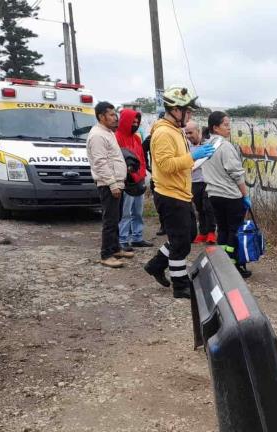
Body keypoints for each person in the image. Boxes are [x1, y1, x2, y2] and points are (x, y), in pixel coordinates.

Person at [143, 86, 215, 298]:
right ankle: (180, 285)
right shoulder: (164, 133)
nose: (190, 115)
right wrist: (193, 156)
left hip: (180, 193)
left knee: (188, 235)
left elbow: (179, 163)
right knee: (181, 242)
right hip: (169, 194)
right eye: (188, 111)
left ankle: (156, 265)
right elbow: (166, 165)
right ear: (175, 110)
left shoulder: (175, 130)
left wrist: (197, 158)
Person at [201, 111, 252, 279]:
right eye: (225, 125)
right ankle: (234, 265)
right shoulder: (226, 147)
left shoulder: (206, 146)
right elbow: (236, 173)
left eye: (229, 124)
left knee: (222, 229)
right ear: (215, 127)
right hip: (230, 196)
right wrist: (245, 195)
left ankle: (222, 263)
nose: (229, 128)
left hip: (213, 195)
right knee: (234, 231)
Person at [86, 101, 133, 268]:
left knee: (117, 217)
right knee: (110, 219)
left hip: (116, 182)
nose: (115, 118)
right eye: (111, 115)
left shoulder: (108, 132)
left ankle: (115, 248)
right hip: (108, 184)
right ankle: (106, 254)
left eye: (115, 114)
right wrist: (112, 184)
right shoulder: (98, 135)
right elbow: (100, 163)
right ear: (101, 116)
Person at [116, 109, 153, 250]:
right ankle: (123, 239)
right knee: (125, 213)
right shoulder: (117, 137)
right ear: (125, 121)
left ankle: (137, 237)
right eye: (133, 121)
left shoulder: (136, 138)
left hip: (139, 180)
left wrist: (142, 174)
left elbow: (142, 158)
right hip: (126, 181)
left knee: (138, 211)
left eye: (137, 122)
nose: (135, 124)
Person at [184, 121, 217, 244]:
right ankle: (203, 232)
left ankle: (211, 232)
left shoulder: (207, 144)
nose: (188, 135)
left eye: (190, 132)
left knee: (208, 207)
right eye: (186, 133)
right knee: (199, 208)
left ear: (198, 131)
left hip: (208, 181)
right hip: (194, 181)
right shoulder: (186, 146)